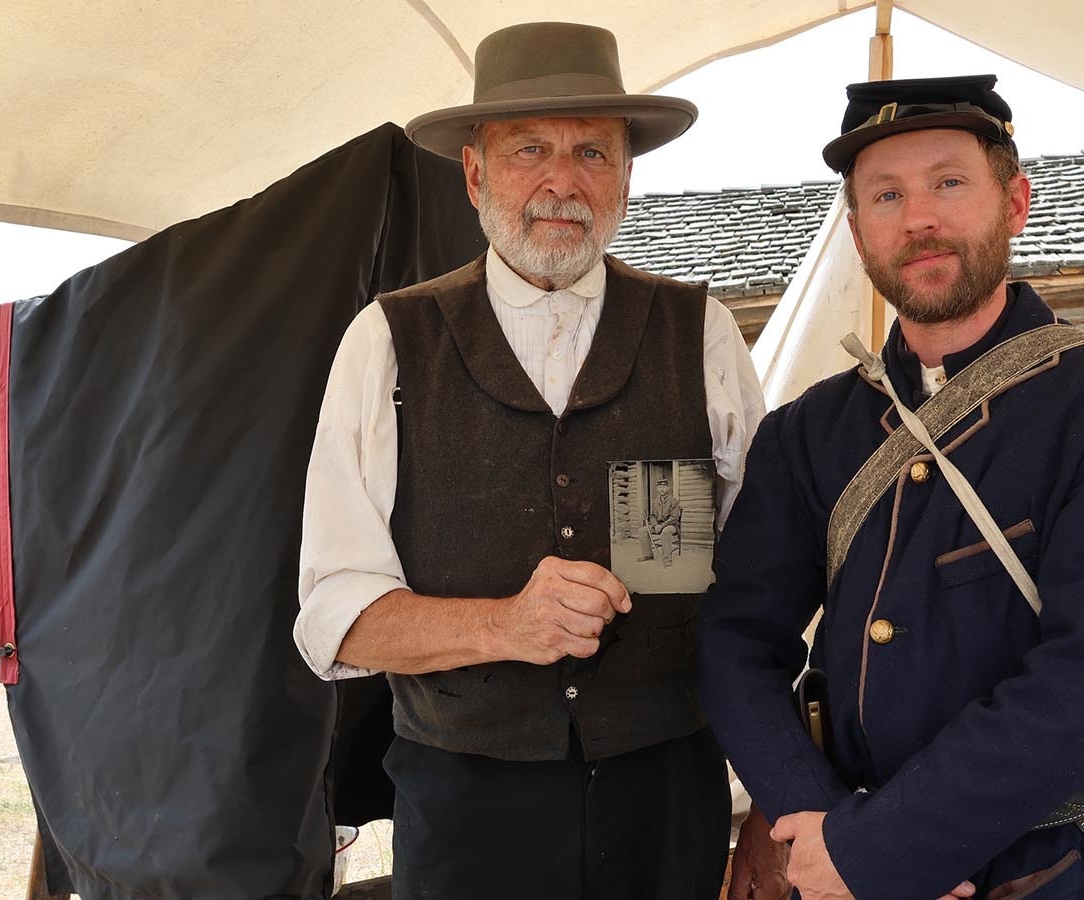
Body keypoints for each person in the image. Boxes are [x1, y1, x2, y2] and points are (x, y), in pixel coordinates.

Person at [293, 21, 764, 900]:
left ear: (626, 176)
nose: (563, 180)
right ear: (475, 174)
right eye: (529, 150)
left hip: (667, 805)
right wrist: (505, 626)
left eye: (592, 150)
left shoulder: (696, 335)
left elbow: (757, 585)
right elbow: (335, 618)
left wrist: (777, 801)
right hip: (470, 816)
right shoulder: (390, 342)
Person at [700, 76, 1084, 900]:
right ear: (858, 234)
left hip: (1056, 867)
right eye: (886, 195)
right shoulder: (807, 432)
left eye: (949, 183)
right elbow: (735, 644)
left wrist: (889, 849)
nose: (918, 218)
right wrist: (821, 829)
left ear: (1016, 200)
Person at [638, 478, 683, 566]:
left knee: (665, 532)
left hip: (671, 525)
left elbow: (674, 518)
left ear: (668, 488)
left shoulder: (673, 501)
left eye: (664, 487)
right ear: (657, 489)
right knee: (642, 531)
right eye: (659, 487)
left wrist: (661, 526)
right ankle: (647, 555)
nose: (661, 489)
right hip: (657, 525)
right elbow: (652, 515)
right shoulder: (655, 501)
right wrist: (655, 525)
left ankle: (667, 560)